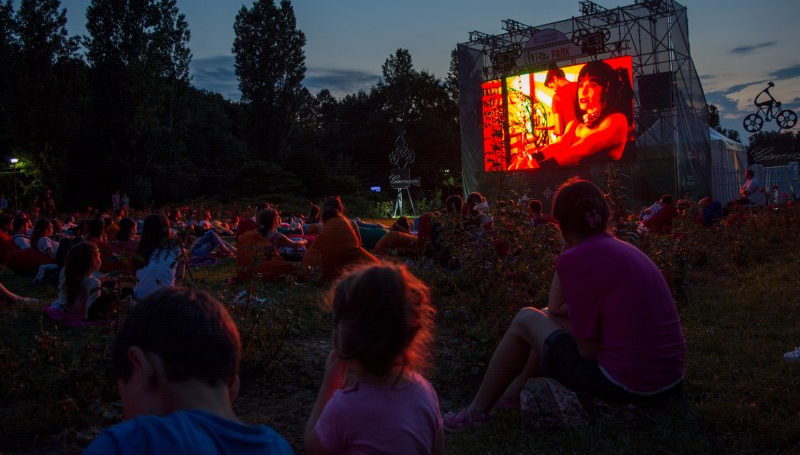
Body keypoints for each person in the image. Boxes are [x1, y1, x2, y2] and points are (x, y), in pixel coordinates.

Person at [443, 177, 686, 431]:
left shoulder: (579, 257)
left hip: (628, 387)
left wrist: (565, 252)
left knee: (527, 318)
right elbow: (558, 310)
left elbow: (588, 351)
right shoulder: (621, 249)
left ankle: (476, 412)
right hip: (669, 381)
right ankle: (510, 398)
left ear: (559, 223)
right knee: (543, 317)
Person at [83, 287, 293, 455]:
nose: (126, 414)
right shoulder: (277, 446)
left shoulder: (130, 443)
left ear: (142, 367)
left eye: (123, 397)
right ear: (233, 386)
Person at [304, 263, 444, 455]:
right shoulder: (425, 392)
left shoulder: (345, 407)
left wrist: (329, 386)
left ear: (345, 337)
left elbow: (312, 448)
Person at [512, 60, 634, 169]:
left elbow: (582, 149)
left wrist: (541, 166)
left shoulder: (617, 120)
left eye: (592, 85)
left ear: (606, 89)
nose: (583, 92)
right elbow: (559, 145)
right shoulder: (576, 123)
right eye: (581, 85)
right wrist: (530, 158)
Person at [51, 242, 118, 320]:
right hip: (78, 310)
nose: (100, 259)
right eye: (98, 256)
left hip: (63, 305)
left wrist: (104, 278)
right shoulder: (94, 283)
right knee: (110, 287)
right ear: (92, 262)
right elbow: (89, 312)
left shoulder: (66, 271)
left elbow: (84, 283)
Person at [133, 214, 185, 300]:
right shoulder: (177, 250)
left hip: (140, 300)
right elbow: (179, 280)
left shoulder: (141, 250)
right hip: (166, 300)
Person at [544, 67, 578, 138]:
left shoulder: (557, 97)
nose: (553, 90)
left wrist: (554, 132)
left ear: (555, 78)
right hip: (585, 133)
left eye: (552, 87)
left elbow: (559, 130)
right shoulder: (579, 86)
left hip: (571, 138)